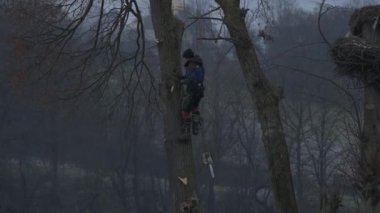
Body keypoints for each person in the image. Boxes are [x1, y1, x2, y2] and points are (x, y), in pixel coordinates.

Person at [180, 48, 205, 136]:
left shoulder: (191, 65)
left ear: (188, 57)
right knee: (194, 108)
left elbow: (192, 79)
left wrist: (182, 82)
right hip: (200, 90)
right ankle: (195, 128)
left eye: (185, 58)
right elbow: (198, 77)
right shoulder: (199, 64)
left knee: (185, 109)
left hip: (192, 90)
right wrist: (184, 77)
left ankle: (186, 132)